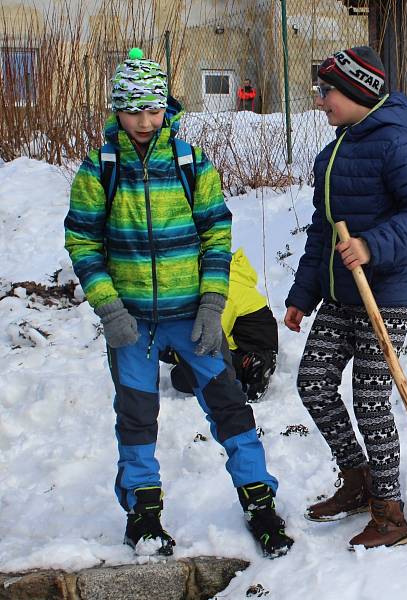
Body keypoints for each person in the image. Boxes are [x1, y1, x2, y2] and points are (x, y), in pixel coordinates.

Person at [64, 48, 292, 558]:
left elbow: (217, 235)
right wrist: (110, 309)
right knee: (137, 417)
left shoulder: (192, 164)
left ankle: (260, 502)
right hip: (132, 327)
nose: (146, 122)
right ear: (116, 110)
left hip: (193, 321)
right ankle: (143, 515)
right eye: (135, 111)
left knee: (231, 409)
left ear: (167, 108)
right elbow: (82, 242)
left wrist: (213, 305)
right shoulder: (99, 170)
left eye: (155, 110)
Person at [285, 46, 407, 549]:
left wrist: (372, 246)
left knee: (371, 397)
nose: (320, 101)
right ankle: (356, 479)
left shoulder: (398, 144)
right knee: (313, 382)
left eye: (326, 90)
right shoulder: (331, 154)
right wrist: (303, 292)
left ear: (356, 91)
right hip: (339, 293)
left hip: (387, 291)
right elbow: (321, 229)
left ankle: (389, 510)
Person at [162, 248, 278, 403]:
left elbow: (212, 336)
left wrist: (176, 353)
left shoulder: (225, 289)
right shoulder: (226, 277)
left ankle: (252, 367)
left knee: (181, 376)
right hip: (244, 343)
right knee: (185, 371)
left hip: (254, 348)